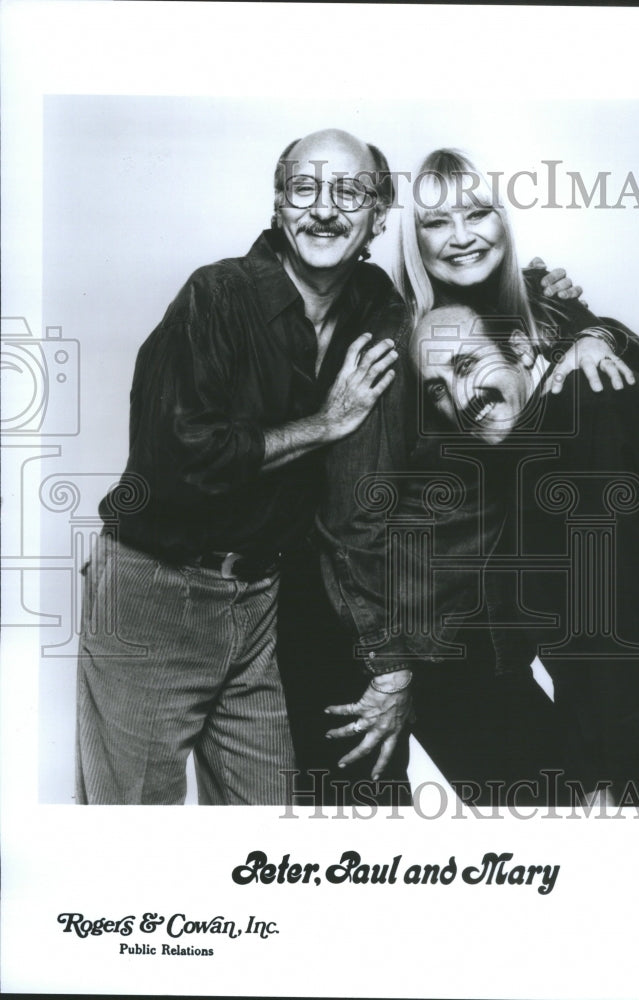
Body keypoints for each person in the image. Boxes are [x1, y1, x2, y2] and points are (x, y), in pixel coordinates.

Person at [317, 147, 639, 804]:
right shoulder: (396, 340)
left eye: (478, 213)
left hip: (508, 626)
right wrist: (393, 668)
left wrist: (598, 337)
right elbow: (353, 515)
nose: (461, 237)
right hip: (418, 635)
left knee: (581, 808)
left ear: (502, 221)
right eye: (435, 223)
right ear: (412, 240)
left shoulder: (538, 308)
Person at [76, 128, 406, 805]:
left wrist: (582, 329)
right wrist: (327, 423)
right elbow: (178, 458)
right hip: (157, 589)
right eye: (304, 189)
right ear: (279, 206)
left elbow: (480, 319)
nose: (324, 209)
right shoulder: (217, 296)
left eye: (348, 192)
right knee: (130, 831)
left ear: (380, 212)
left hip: (263, 605)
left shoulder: (375, 303)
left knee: (265, 833)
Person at [409, 303, 639, 807]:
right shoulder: (540, 452)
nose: (461, 398)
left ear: (522, 349)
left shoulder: (589, 411)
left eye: (466, 365)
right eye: (437, 388)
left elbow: (610, 628)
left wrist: (611, 785)